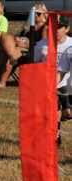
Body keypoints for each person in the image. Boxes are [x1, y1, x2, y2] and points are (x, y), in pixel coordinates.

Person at [0, 3, 48, 88]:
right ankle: (9, 58)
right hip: (19, 47)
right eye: (34, 13)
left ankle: (2, 82)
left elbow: (43, 45)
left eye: (38, 13)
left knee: (10, 54)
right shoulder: (28, 26)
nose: (36, 15)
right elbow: (19, 36)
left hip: (32, 49)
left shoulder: (45, 27)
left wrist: (26, 44)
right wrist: (16, 39)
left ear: (44, 14)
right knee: (6, 38)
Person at [45, 17, 72, 146]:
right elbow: (61, 72)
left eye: (60, 26)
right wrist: (49, 87)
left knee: (68, 112)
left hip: (66, 89)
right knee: (56, 109)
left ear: (67, 29)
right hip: (66, 88)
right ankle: (55, 137)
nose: (56, 29)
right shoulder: (69, 51)